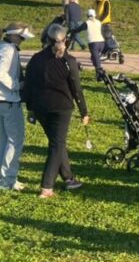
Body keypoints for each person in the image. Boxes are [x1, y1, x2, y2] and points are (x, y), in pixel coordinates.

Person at [22, 23, 90, 198]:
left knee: (56, 143)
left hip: (40, 108)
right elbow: (77, 89)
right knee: (56, 145)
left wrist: (30, 109)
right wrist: (84, 112)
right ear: (66, 40)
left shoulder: (36, 59)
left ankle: (68, 178)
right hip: (61, 108)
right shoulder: (69, 62)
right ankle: (46, 187)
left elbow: (29, 86)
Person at [0, 22, 34, 192]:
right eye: (21, 37)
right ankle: (7, 180)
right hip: (8, 99)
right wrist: (17, 86)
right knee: (15, 140)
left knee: (5, 140)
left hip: (1, 100)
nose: (22, 40)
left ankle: (5, 177)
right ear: (14, 36)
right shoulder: (8, 50)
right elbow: (1, 74)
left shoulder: (1, 47)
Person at [85, 8, 105, 74]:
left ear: (87, 15)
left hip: (94, 43)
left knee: (97, 62)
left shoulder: (87, 23)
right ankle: (98, 70)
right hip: (102, 43)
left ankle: (99, 75)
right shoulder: (99, 22)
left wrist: (72, 30)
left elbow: (78, 29)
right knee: (93, 58)